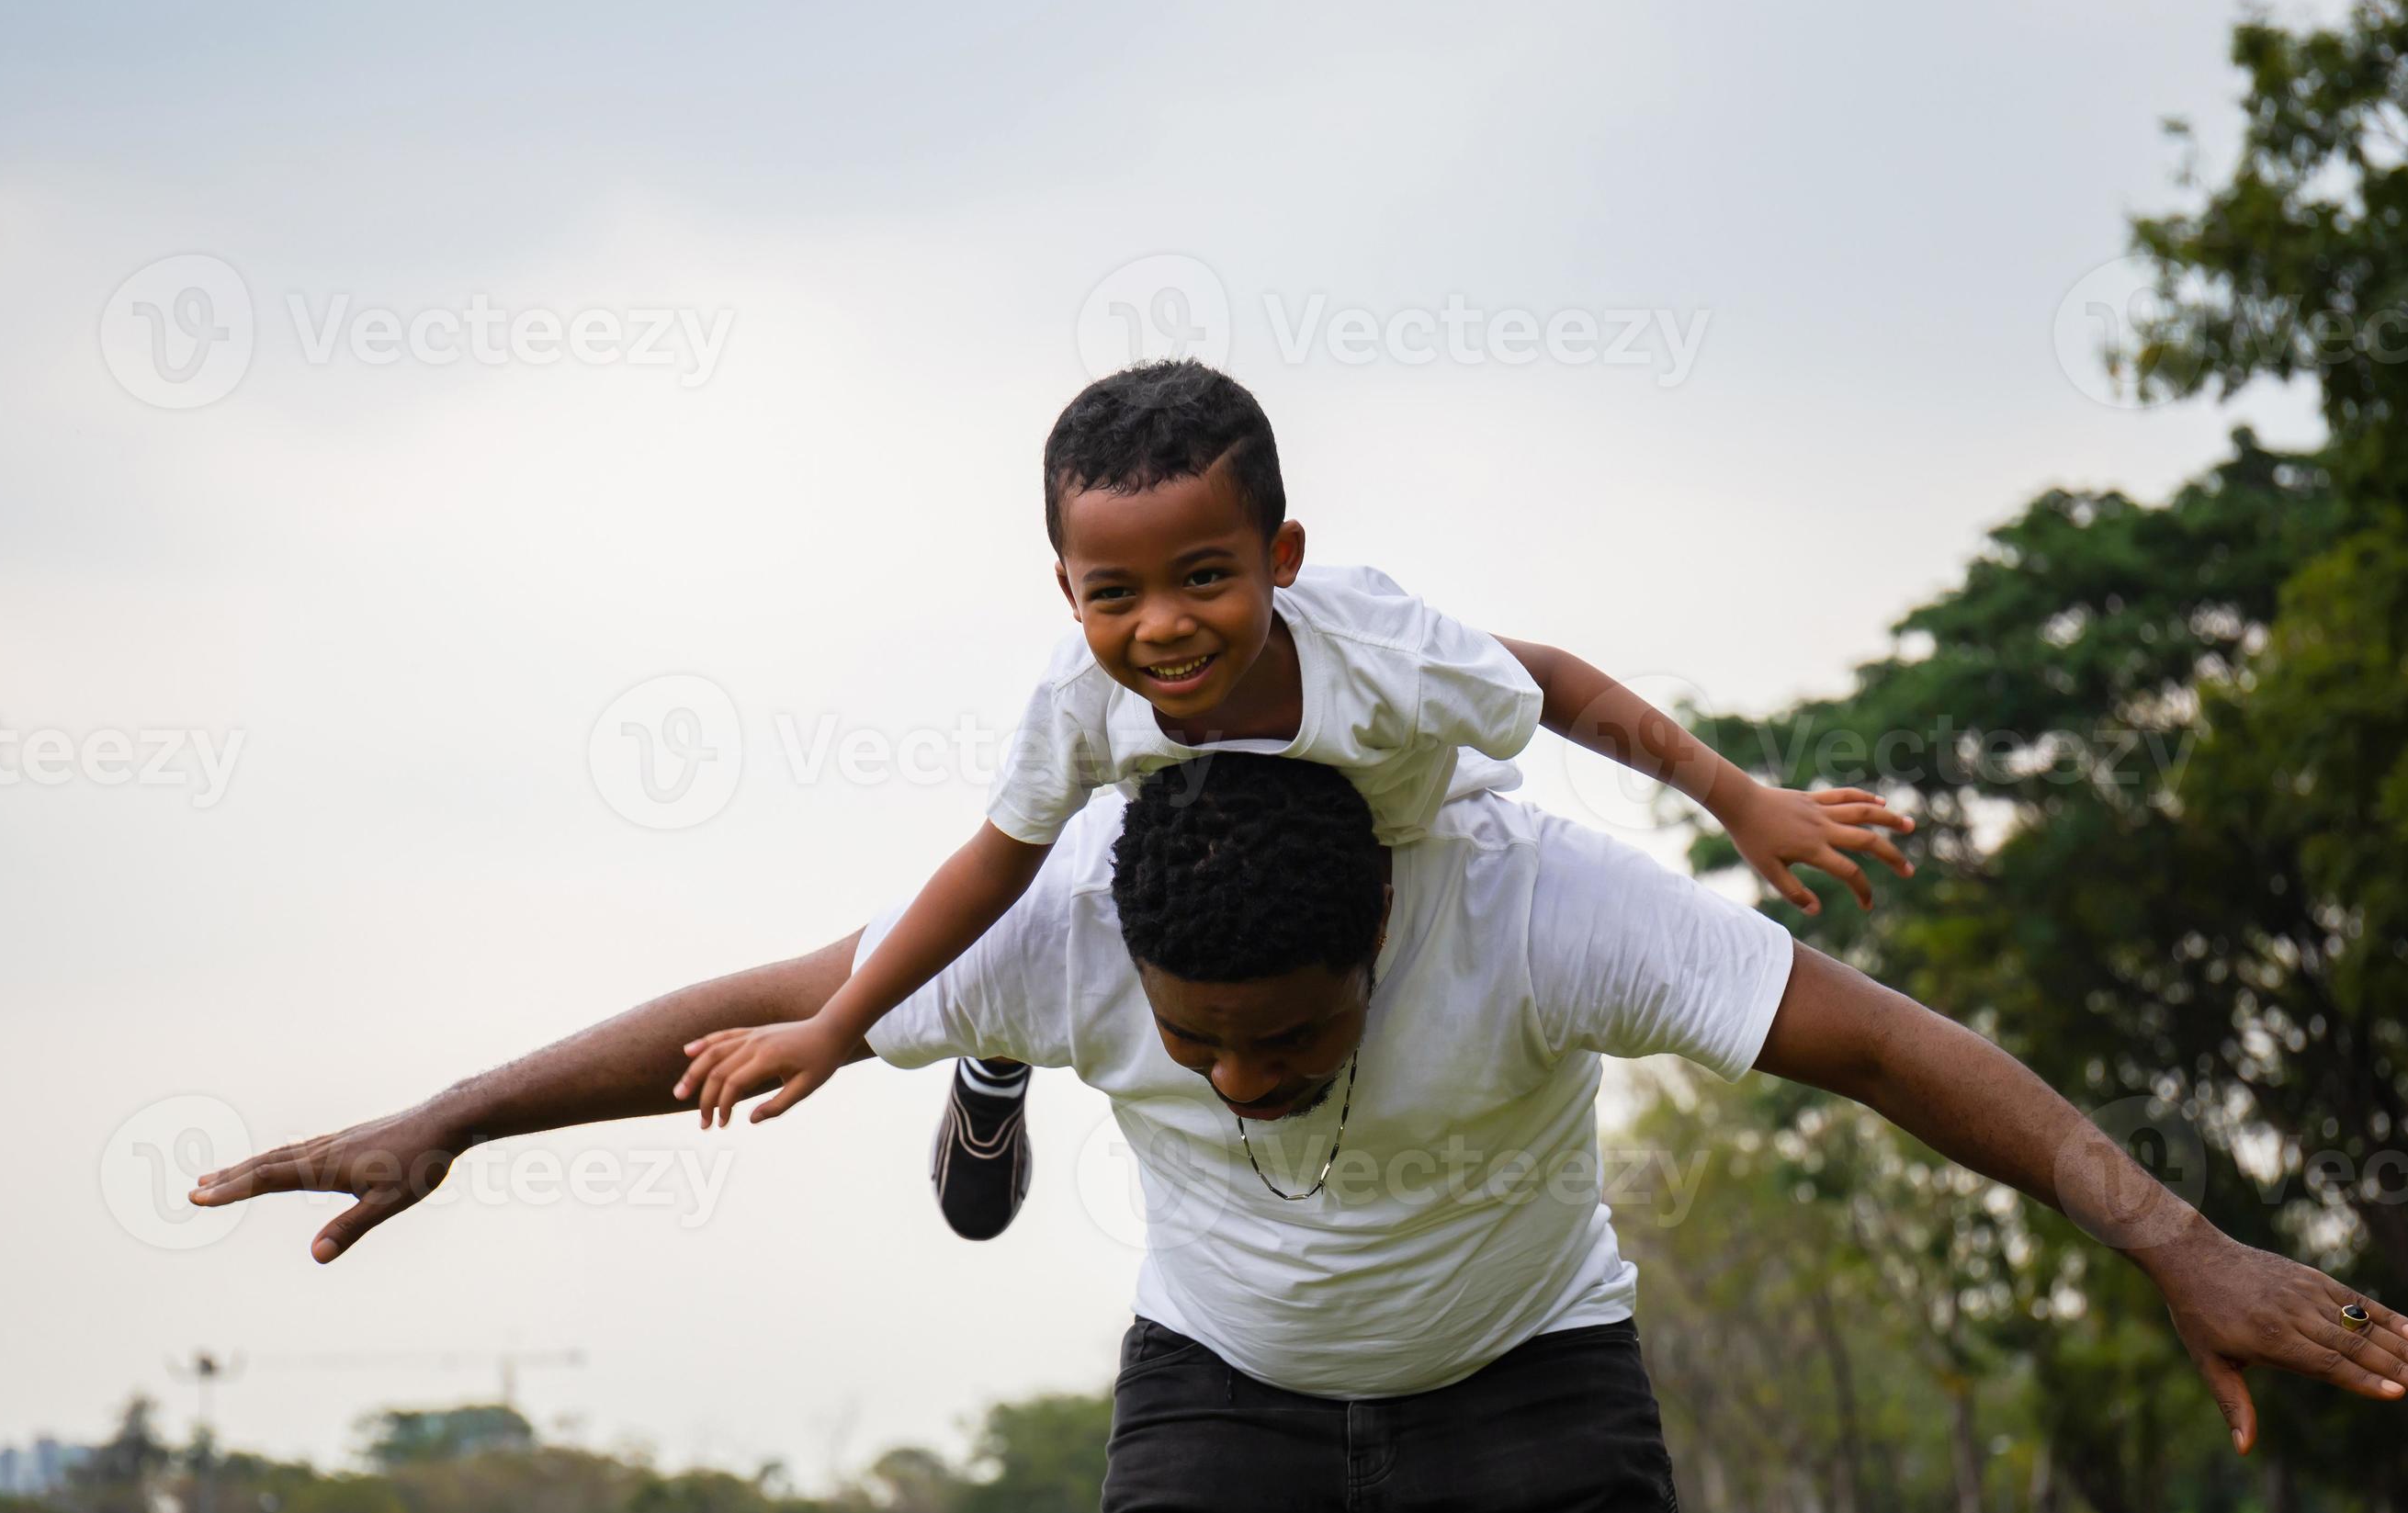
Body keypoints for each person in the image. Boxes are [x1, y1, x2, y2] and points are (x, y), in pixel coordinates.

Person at [188, 754, 2408, 1513]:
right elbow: (746, 1001)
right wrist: (452, 1119)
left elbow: (1876, 1042)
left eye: (1289, 1040)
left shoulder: (1537, 901)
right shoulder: (1069, 920)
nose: (1246, 1081)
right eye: (1204, 1049)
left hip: (1533, 1403)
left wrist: (2177, 1239)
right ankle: (981, 1073)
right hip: (1226, 1415)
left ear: (1388, 930)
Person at [671, 360, 1916, 1243]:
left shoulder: (1385, 653)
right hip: (1179, 839)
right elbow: (993, 865)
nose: (1161, 626)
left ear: (1283, 560)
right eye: (1115, 594)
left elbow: (1552, 683)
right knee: (1050, 885)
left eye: (1203, 577)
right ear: (1066, 590)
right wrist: (834, 1028)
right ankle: (995, 1061)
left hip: (1372, 840)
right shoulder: (1080, 698)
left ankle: (998, 1039)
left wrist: (1740, 802)